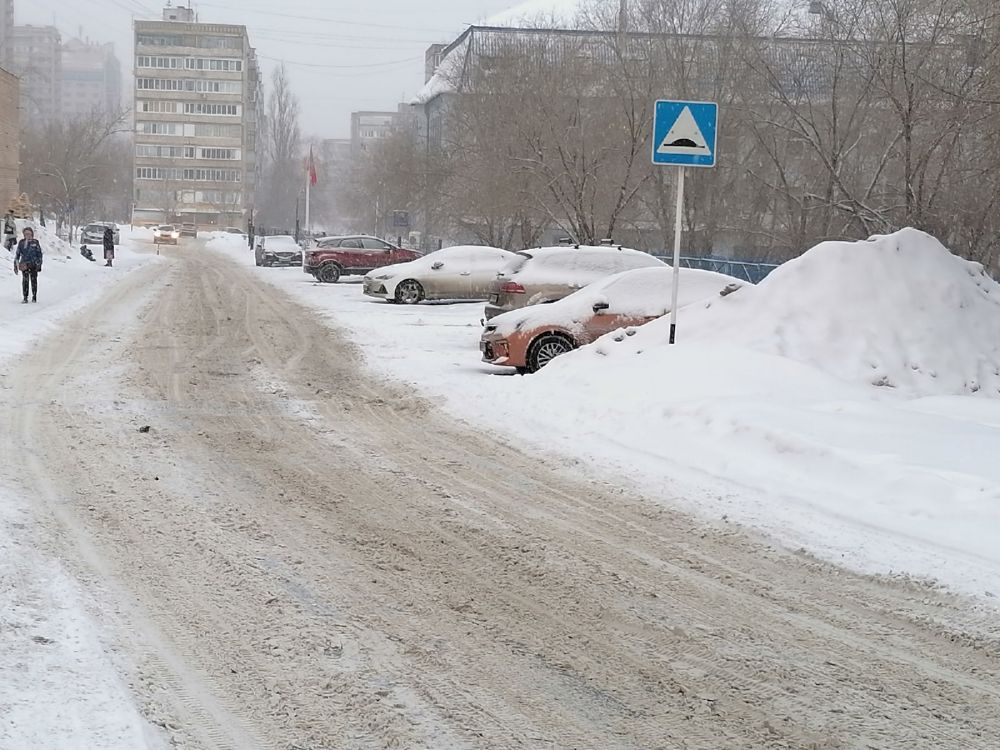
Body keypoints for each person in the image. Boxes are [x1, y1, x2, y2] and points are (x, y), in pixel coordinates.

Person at [14, 227, 42, 304]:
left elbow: (39, 254)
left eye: (29, 234)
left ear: (32, 234)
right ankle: (25, 297)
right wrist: (15, 265)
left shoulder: (35, 242)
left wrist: (39, 264)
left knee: (34, 281)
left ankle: (34, 296)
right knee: (25, 281)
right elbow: (17, 254)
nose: (27, 235)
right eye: (26, 234)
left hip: (33, 264)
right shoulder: (22, 243)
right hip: (24, 264)